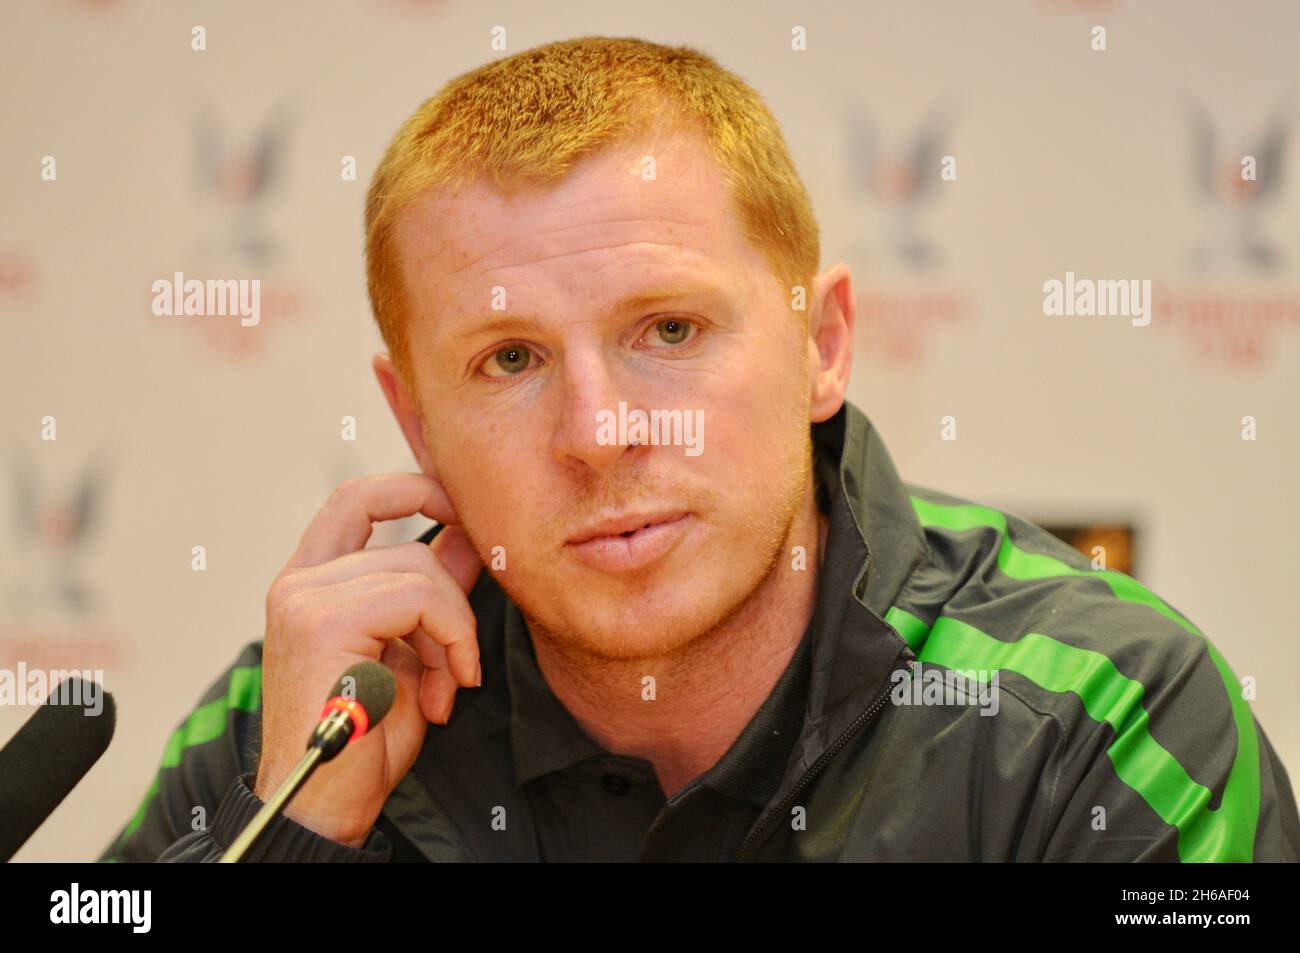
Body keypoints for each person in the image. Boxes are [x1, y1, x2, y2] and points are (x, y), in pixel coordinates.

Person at [101, 35, 1299, 862]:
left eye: (667, 330)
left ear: (821, 344)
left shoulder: (1101, 716)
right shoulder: (313, 713)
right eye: (508, 360)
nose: (599, 432)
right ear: (414, 420)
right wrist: (298, 840)